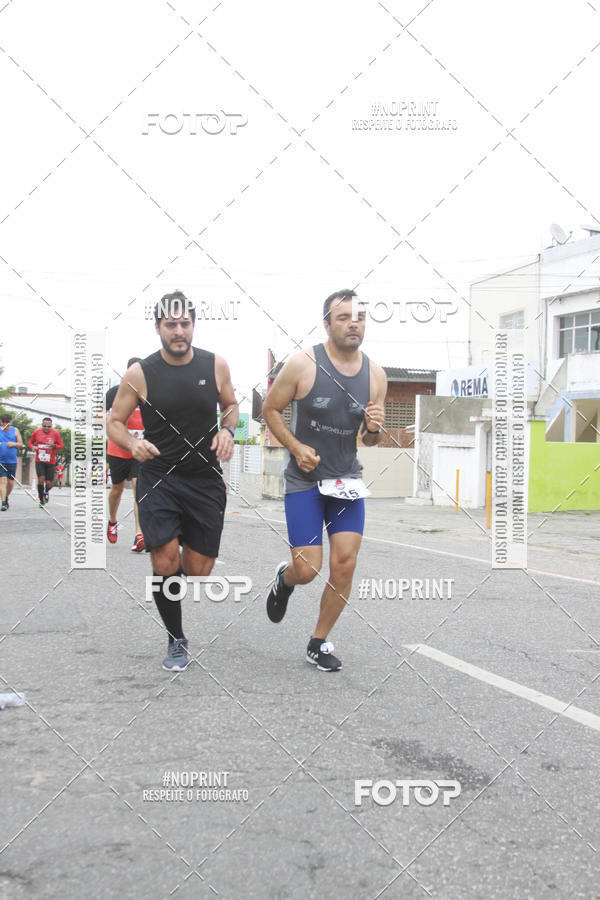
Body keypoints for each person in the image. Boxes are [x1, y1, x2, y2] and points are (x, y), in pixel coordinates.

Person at [107, 291, 238, 671]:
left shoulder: (215, 364)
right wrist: (132, 443)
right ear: (158, 328)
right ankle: (176, 638)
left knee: (198, 570)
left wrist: (227, 429)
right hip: (159, 476)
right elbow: (114, 422)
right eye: (171, 325)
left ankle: (172, 583)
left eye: (185, 324)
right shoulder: (140, 374)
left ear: (193, 324)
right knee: (164, 560)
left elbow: (230, 405)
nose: (178, 331)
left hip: (204, 479)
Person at [263, 289, 387, 671]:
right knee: (308, 569)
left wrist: (373, 429)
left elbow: (370, 438)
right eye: (344, 317)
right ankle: (285, 580)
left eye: (360, 317)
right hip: (305, 480)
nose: (354, 323)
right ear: (327, 324)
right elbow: (271, 409)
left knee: (345, 563)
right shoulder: (302, 365)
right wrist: (297, 448)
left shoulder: (376, 375)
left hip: (345, 480)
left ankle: (318, 642)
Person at [106, 358, 145, 551]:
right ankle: (112, 520)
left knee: (139, 490)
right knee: (117, 490)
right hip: (117, 448)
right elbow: (104, 416)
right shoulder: (114, 393)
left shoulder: (148, 394)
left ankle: (139, 535)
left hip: (139, 451)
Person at [28, 417, 64, 507]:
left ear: (51, 426)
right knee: (41, 480)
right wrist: (33, 447)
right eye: (45, 426)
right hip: (39, 461)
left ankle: (46, 492)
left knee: (49, 483)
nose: (47, 428)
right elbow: (30, 443)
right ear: (42, 425)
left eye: (49, 426)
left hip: (50, 462)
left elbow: (61, 446)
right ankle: (41, 500)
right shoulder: (36, 432)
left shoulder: (55, 433)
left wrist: (54, 445)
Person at [0, 413, 24, 511]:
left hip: (12, 461)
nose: (6, 427)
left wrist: (13, 444)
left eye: (8, 424)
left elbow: (21, 444)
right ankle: (3, 503)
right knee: (3, 480)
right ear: (1, 422)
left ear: (11, 422)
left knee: (10, 483)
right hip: (1, 461)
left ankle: (6, 497)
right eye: (4, 424)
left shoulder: (15, 430)